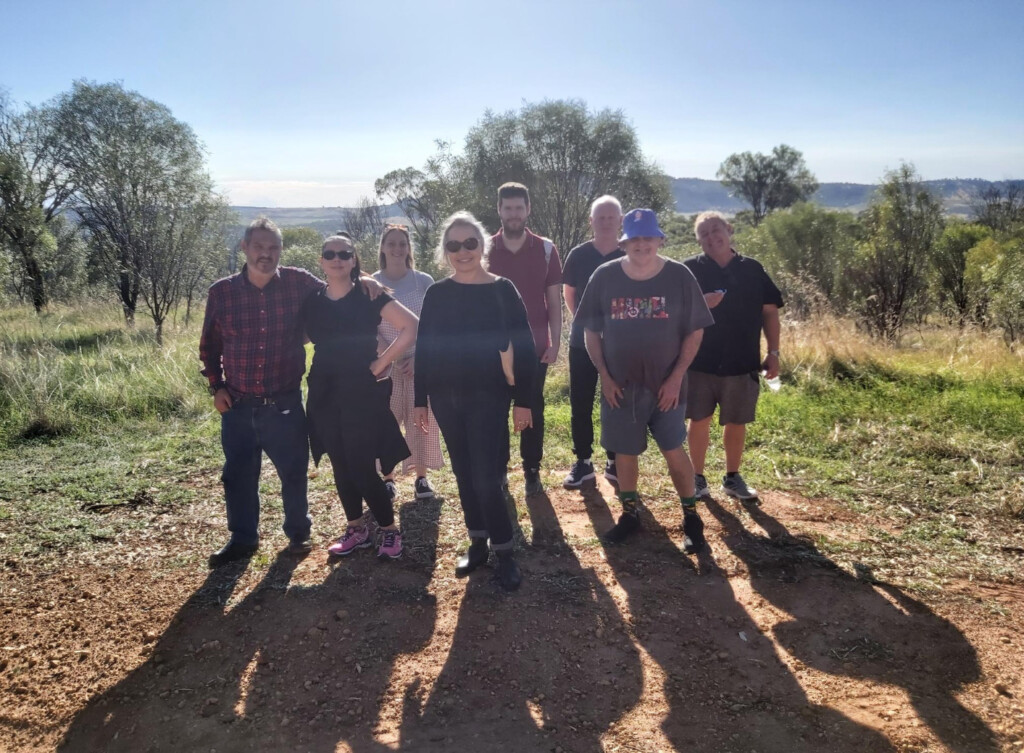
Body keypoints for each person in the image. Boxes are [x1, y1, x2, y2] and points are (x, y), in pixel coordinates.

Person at [199, 216, 383, 568]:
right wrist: (216, 385)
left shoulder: (299, 283)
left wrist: (368, 278)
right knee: (237, 475)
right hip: (236, 403)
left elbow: (339, 278)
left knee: (294, 473)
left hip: (283, 401)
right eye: (259, 247)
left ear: (281, 250)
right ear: (245, 248)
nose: (266, 254)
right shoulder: (221, 292)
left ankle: (298, 534)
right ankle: (243, 539)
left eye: (273, 248)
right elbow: (209, 345)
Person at [576, 208, 714, 552]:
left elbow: (695, 332)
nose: (641, 245)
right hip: (620, 386)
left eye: (647, 238)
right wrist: (604, 377)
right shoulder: (604, 277)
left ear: (659, 240)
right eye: (634, 238)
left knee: (673, 449)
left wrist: (676, 377)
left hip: (666, 386)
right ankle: (631, 514)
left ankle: (692, 519)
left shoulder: (679, 276)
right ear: (624, 243)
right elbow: (591, 333)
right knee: (624, 451)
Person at [414, 211, 536, 591]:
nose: (462, 251)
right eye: (454, 245)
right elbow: (425, 347)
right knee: (464, 474)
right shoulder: (436, 292)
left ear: (483, 245)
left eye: (470, 243)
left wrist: (524, 401)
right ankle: (478, 542)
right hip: (445, 397)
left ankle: (505, 553)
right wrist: (420, 399)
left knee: (486, 478)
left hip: (489, 396)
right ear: (444, 251)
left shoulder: (503, 289)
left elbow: (527, 347)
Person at [301, 234, 418, 559]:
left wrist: (381, 363)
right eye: (330, 253)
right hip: (324, 390)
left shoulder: (369, 295)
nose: (337, 258)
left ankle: (390, 531)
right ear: (321, 261)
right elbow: (300, 336)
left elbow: (411, 326)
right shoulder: (312, 300)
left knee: (361, 464)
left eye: (344, 253)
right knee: (339, 463)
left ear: (354, 260)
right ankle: (356, 529)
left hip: (362, 390)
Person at [683, 211, 783, 501]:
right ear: (698, 240)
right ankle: (696, 478)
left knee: (736, 422)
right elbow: (675, 314)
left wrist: (773, 352)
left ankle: (732, 478)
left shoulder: (752, 269)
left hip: (743, 361)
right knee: (698, 419)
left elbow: (770, 312)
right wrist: (703, 304)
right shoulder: (689, 270)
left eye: (716, 230)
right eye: (704, 234)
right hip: (700, 361)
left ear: (729, 230)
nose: (711, 237)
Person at [485, 182, 562, 496]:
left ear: (528, 209)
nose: (513, 214)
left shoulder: (545, 249)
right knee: (496, 409)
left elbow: (554, 301)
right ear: (499, 210)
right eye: (508, 208)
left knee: (533, 408)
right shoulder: (484, 249)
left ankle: (532, 469)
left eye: (519, 208)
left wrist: (555, 343)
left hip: (535, 347)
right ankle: (500, 470)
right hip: (492, 349)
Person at [372, 224, 444, 501]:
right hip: (384, 364)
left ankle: (421, 477)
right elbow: (370, 327)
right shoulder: (373, 282)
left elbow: (434, 324)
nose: (397, 248)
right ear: (382, 247)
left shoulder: (422, 281)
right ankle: (387, 478)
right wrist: (386, 357)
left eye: (402, 243)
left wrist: (418, 357)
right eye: (391, 243)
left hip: (420, 363)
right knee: (386, 421)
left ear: (408, 247)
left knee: (421, 419)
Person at [561, 195, 626, 489]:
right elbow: (569, 293)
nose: (606, 222)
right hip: (581, 340)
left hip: (621, 341)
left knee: (616, 400)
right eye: (600, 217)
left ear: (620, 221)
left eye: (611, 217)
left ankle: (614, 461)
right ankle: (583, 462)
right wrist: (586, 323)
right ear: (591, 221)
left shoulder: (629, 253)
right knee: (581, 401)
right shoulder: (579, 254)